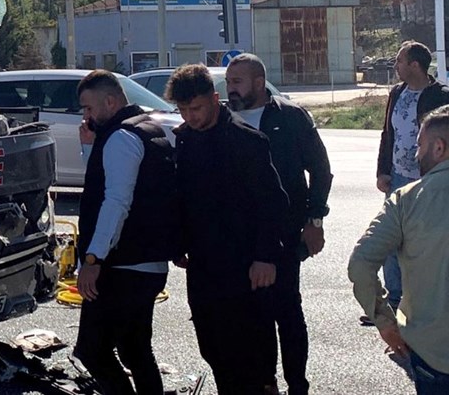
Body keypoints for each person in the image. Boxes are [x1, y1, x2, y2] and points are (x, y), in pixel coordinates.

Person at [166, 64, 290, 395]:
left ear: (214, 99)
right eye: (183, 110)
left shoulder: (246, 142)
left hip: (246, 266)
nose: (190, 116)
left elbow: (273, 204)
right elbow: (183, 198)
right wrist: (177, 244)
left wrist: (265, 256)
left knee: (252, 356)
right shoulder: (185, 141)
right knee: (214, 349)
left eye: (196, 108)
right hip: (205, 267)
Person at [225, 53, 333, 395]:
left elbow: (320, 170)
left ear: (259, 82)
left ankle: (297, 384)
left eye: (237, 82)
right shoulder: (225, 120)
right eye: (228, 83)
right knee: (253, 314)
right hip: (239, 238)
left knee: (286, 311)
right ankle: (265, 381)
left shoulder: (291, 118)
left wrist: (314, 220)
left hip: (285, 233)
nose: (231, 89)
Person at [73, 70, 180, 395]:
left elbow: (116, 202)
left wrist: (93, 258)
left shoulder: (121, 137)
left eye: (89, 108)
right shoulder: (149, 128)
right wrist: (91, 147)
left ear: (111, 101)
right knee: (135, 350)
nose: (86, 117)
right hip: (146, 264)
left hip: (122, 268)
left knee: (92, 351)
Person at [350, 106, 449, 394]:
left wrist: (385, 322)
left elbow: (360, 264)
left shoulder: (405, 201)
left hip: (431, 351)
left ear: (439, 147)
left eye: (419, 145)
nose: (416, 155)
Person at [375, 40, 449, 313]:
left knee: (425, 241)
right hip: (396, 177)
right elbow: (387, 134)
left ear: (414, 65)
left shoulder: (440, 96)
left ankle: (421, 304)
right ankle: (394, 301)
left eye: (399, 62)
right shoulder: (397, 92)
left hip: (428, 181)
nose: (395, 66)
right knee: (391, 237)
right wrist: (383, 170)